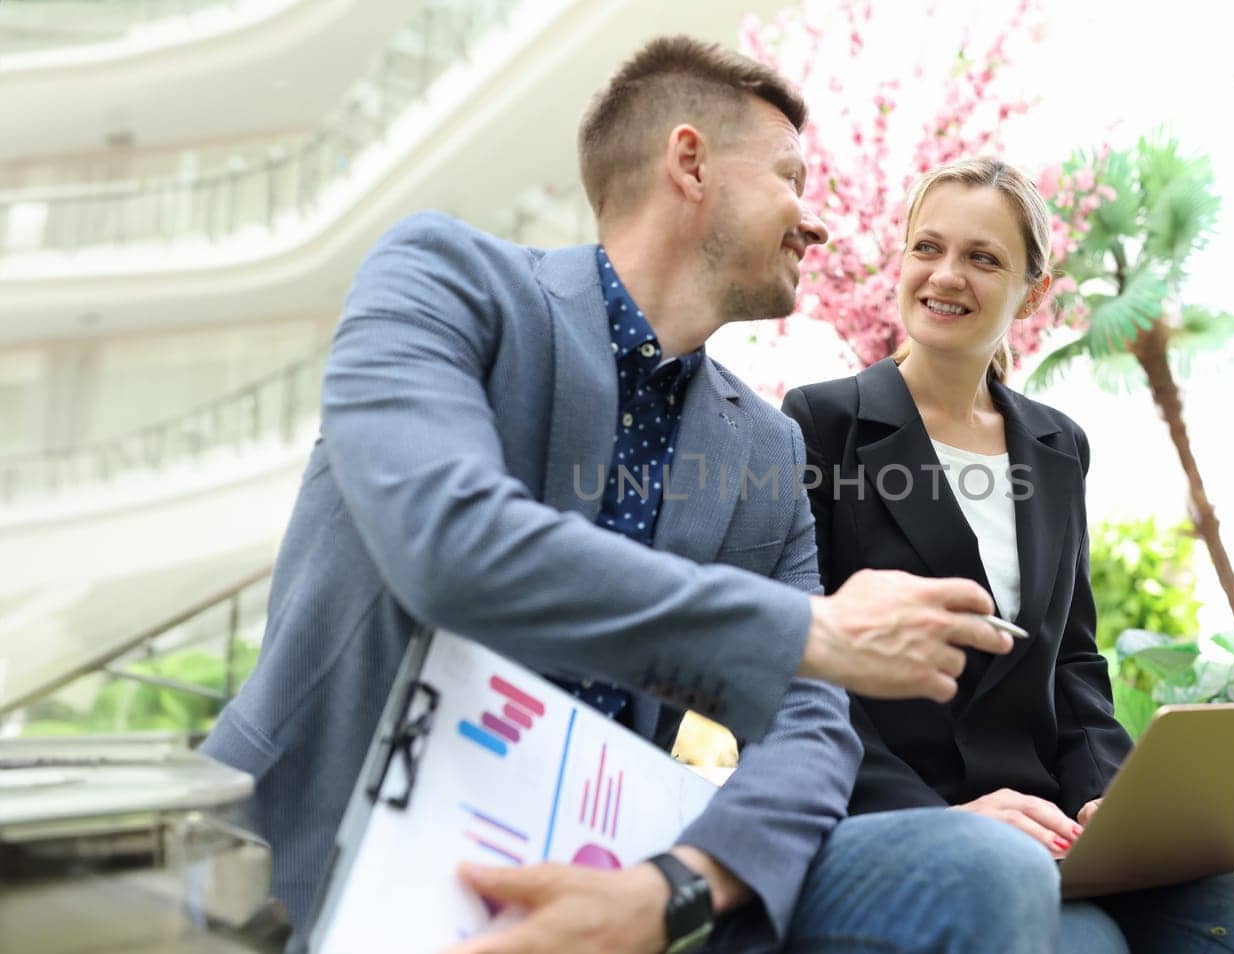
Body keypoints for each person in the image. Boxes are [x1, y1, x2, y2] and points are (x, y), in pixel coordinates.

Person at [203, 38, 1043, 954]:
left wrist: (674, 891)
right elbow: (450, 546)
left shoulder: (765, 445)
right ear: (690, 163)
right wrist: (814, 634)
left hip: (625, 889)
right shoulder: (444, 280)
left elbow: (811, 724)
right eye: (791, 178)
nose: (817, 222)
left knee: (983, 868)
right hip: (325, 871)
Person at [781, 157, 1234, 952]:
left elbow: (1072, 664)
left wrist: (1113, 802)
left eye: (982, 257)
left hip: (1056, 828)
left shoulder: (1056, 446)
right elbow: (806, 664)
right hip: (913, 816)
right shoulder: (822, 423)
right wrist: (940, 821)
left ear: (1033, 294)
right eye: (927, 248)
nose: (945, 275)